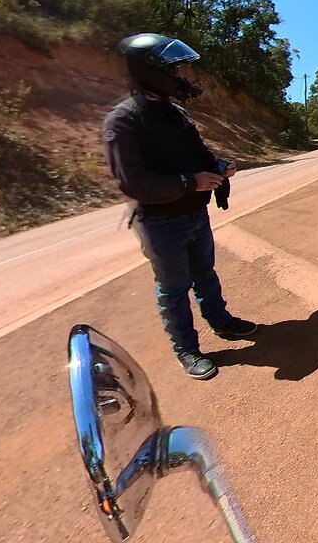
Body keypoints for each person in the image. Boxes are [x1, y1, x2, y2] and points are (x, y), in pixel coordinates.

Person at [102, 33, 257, 381]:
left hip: (195, 214)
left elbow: (197, 155)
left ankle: (221, 321)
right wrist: (191, 182)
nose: (182, 77)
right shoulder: (123, 121)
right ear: (152, 70)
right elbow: (134, 183)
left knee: (206, 274)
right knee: (173, 288)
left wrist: (219, 165)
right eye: (175, 70)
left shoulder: (174, 113)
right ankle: (186, 349)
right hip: (161, 222)